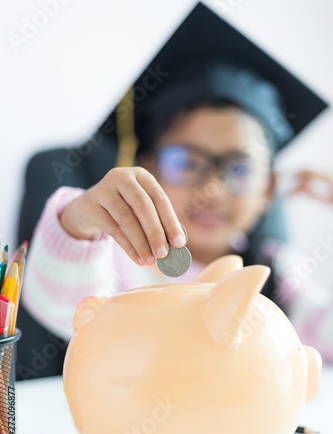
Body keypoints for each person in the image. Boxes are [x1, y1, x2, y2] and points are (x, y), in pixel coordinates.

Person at [16, 2, 329, 380]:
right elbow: (63, 307)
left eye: (240, 168)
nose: (212, 189)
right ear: (148, 169)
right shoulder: (125, 265)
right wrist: (78, 221)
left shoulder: (281, 269)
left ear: (268, 190)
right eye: (186, 163)